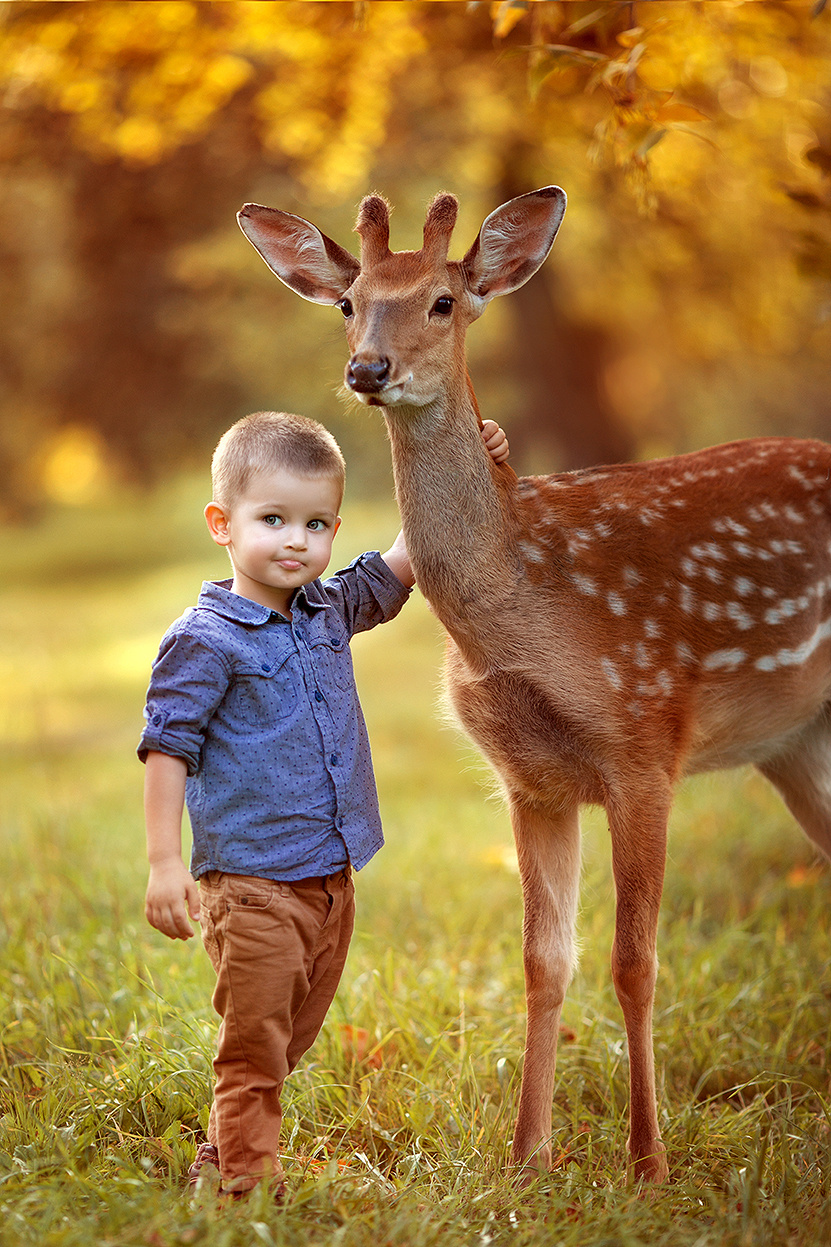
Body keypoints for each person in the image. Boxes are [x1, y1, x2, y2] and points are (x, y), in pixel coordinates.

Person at [138, 409, 509, 1200]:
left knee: (283, 1041)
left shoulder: (327, 609)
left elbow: (407, 557)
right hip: (251, 885)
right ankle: (245, 1189)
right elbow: (167, 745)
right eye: (272, 519)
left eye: (314, 523)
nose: (295, 540)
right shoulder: (206, 639)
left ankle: (222, 1152)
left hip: (330, 880)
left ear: (335, 529)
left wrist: (463, 461)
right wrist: (165, 862)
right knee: (255, 1047)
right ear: (222, 524)